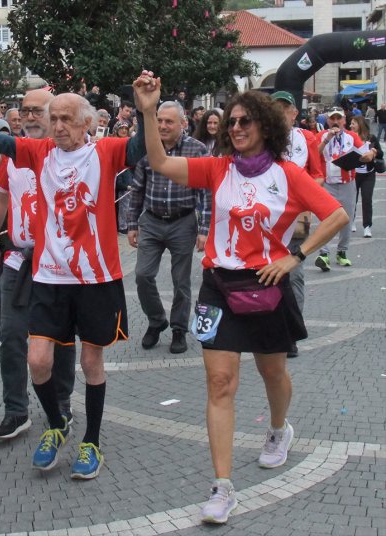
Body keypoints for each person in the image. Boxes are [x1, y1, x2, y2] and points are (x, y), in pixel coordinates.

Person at [134, 76, 349, 524]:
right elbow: (159, 161)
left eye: (244, 121)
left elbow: (337, 215)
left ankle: (278, 429)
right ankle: (221, 487)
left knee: (272, 372)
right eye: (231, 121)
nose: (235, 127)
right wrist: (149, 111)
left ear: (265, 126)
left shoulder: (287, 175)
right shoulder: (217, 168)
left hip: (268, 284)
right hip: (218, 284)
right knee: (220, 382)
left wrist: (295, 258)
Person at [0, 65, 147, 480]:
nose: (59, 125)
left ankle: (92, 442)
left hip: (96, 278)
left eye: (67, 119)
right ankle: (57, 423)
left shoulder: (105, 151)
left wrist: (146, 109)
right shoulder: (38, 151)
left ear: (87, 123)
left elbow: (142, 148)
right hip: (50, 277)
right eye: (55, 118)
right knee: (38, 360)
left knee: (91, 362)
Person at [0, 88, 77, 441]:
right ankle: (15, 410)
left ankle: (62, 401)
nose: (30, 117)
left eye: (38, 111)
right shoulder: (12, 155)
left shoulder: (69, 155)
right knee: (11, 335)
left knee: (61, 336)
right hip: (18, 259)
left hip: (58, 262)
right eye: (25, 110)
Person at [128, 100, 210, 354]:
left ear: (183, 123)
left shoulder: (197, 150)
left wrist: (204, 229)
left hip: (183, 222)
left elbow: (206, 191)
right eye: (159, 121)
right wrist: (131, 224)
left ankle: (178, 329)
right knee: (142, 275)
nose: (162, 126)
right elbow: (137, 189)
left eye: (168, 122)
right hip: (151, 221)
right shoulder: (148, 147)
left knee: (180, 282)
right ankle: (156, 320)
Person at [271, 90, 324, 358]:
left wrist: (302, 193)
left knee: (293, 273)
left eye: (286, 109)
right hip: (267, 216)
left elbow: (318, 175)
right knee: (265, 271)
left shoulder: (307, 139)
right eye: (276, 109)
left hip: (297, 215)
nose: (281, 114)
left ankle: (291, 331)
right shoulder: (260, 138)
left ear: (294, 113)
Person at [314, 107, 369, 271]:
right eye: (333, 119)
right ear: (328, 121)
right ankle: (323, 253)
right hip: (327, 183)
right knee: (326, 219)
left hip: (347, 183)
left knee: (346, 219)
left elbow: (364, 155)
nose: (336, 121)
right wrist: (327, 139)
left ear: (344, 120)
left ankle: (342, 252)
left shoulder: (352, 137)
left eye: (339, 118)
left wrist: (370, 154)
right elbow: (314, 154)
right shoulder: (321, 136)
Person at [350, 115, 382, 238]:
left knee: (367, 199)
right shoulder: (349, 137)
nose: (351, 126)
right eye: (351, 123)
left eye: (353, 123)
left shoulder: (371, 138)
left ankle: (367, 226)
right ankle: (352, 221)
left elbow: (380, 153)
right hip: (354, 173)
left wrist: (374, 151)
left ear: (360, 124)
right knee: (352, 200)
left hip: (368, 173)